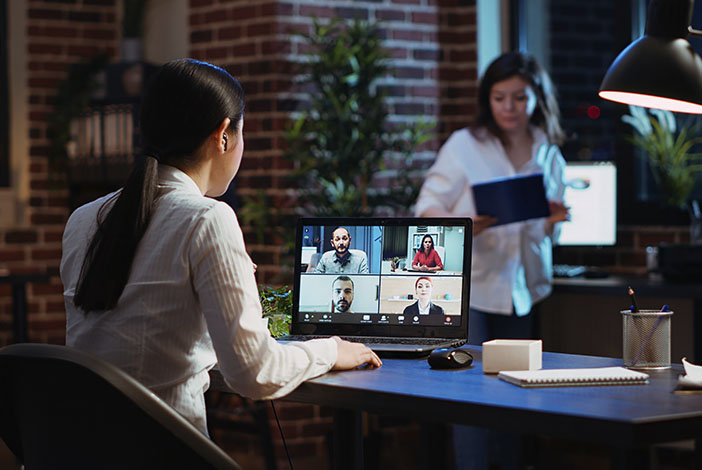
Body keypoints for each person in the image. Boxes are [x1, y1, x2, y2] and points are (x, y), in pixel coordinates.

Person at [60, 58, 381, 436]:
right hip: (163, 453)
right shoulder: (208, 218)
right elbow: (254, 373)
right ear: (224, 134)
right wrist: (331, 351)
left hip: (79, 448)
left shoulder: (83, 218)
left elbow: (146, 333)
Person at [414, 51, 568, 469]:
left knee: (514, 393)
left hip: (522, 289)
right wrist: (466, 223)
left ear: (537, 98)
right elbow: (425, 210)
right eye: (500, 98)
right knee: (471, 394)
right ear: (488, 99)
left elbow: (547, 230)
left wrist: (554, 219)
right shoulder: (466, 145)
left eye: (520, 98)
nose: (510, 108)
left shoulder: (548, 151)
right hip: (475, 287)